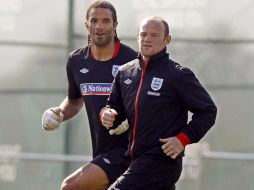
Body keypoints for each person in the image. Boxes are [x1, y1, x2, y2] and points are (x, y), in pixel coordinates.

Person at [101, 16, 217, 190]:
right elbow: (114, 110)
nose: (147, 39)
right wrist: (107, 114)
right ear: (137, 37)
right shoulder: (125, 73)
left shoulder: (178, 75)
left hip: (161, 161)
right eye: (144, 34)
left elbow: (208, 111)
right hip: (133, 158)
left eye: (154, 35)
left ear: (167, 39)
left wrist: (182, 139)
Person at [41, 1, 137, 190]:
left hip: (128, 150)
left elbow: (146, 102)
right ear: (87, 24)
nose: (99, 26)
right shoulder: (76, 60)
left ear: (115, 25)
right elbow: (75, 101)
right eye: (94, 20)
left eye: (106, 21)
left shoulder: (132, 60)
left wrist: (125, 119)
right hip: (101, 150)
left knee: (70, 187)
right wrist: (59, 112)